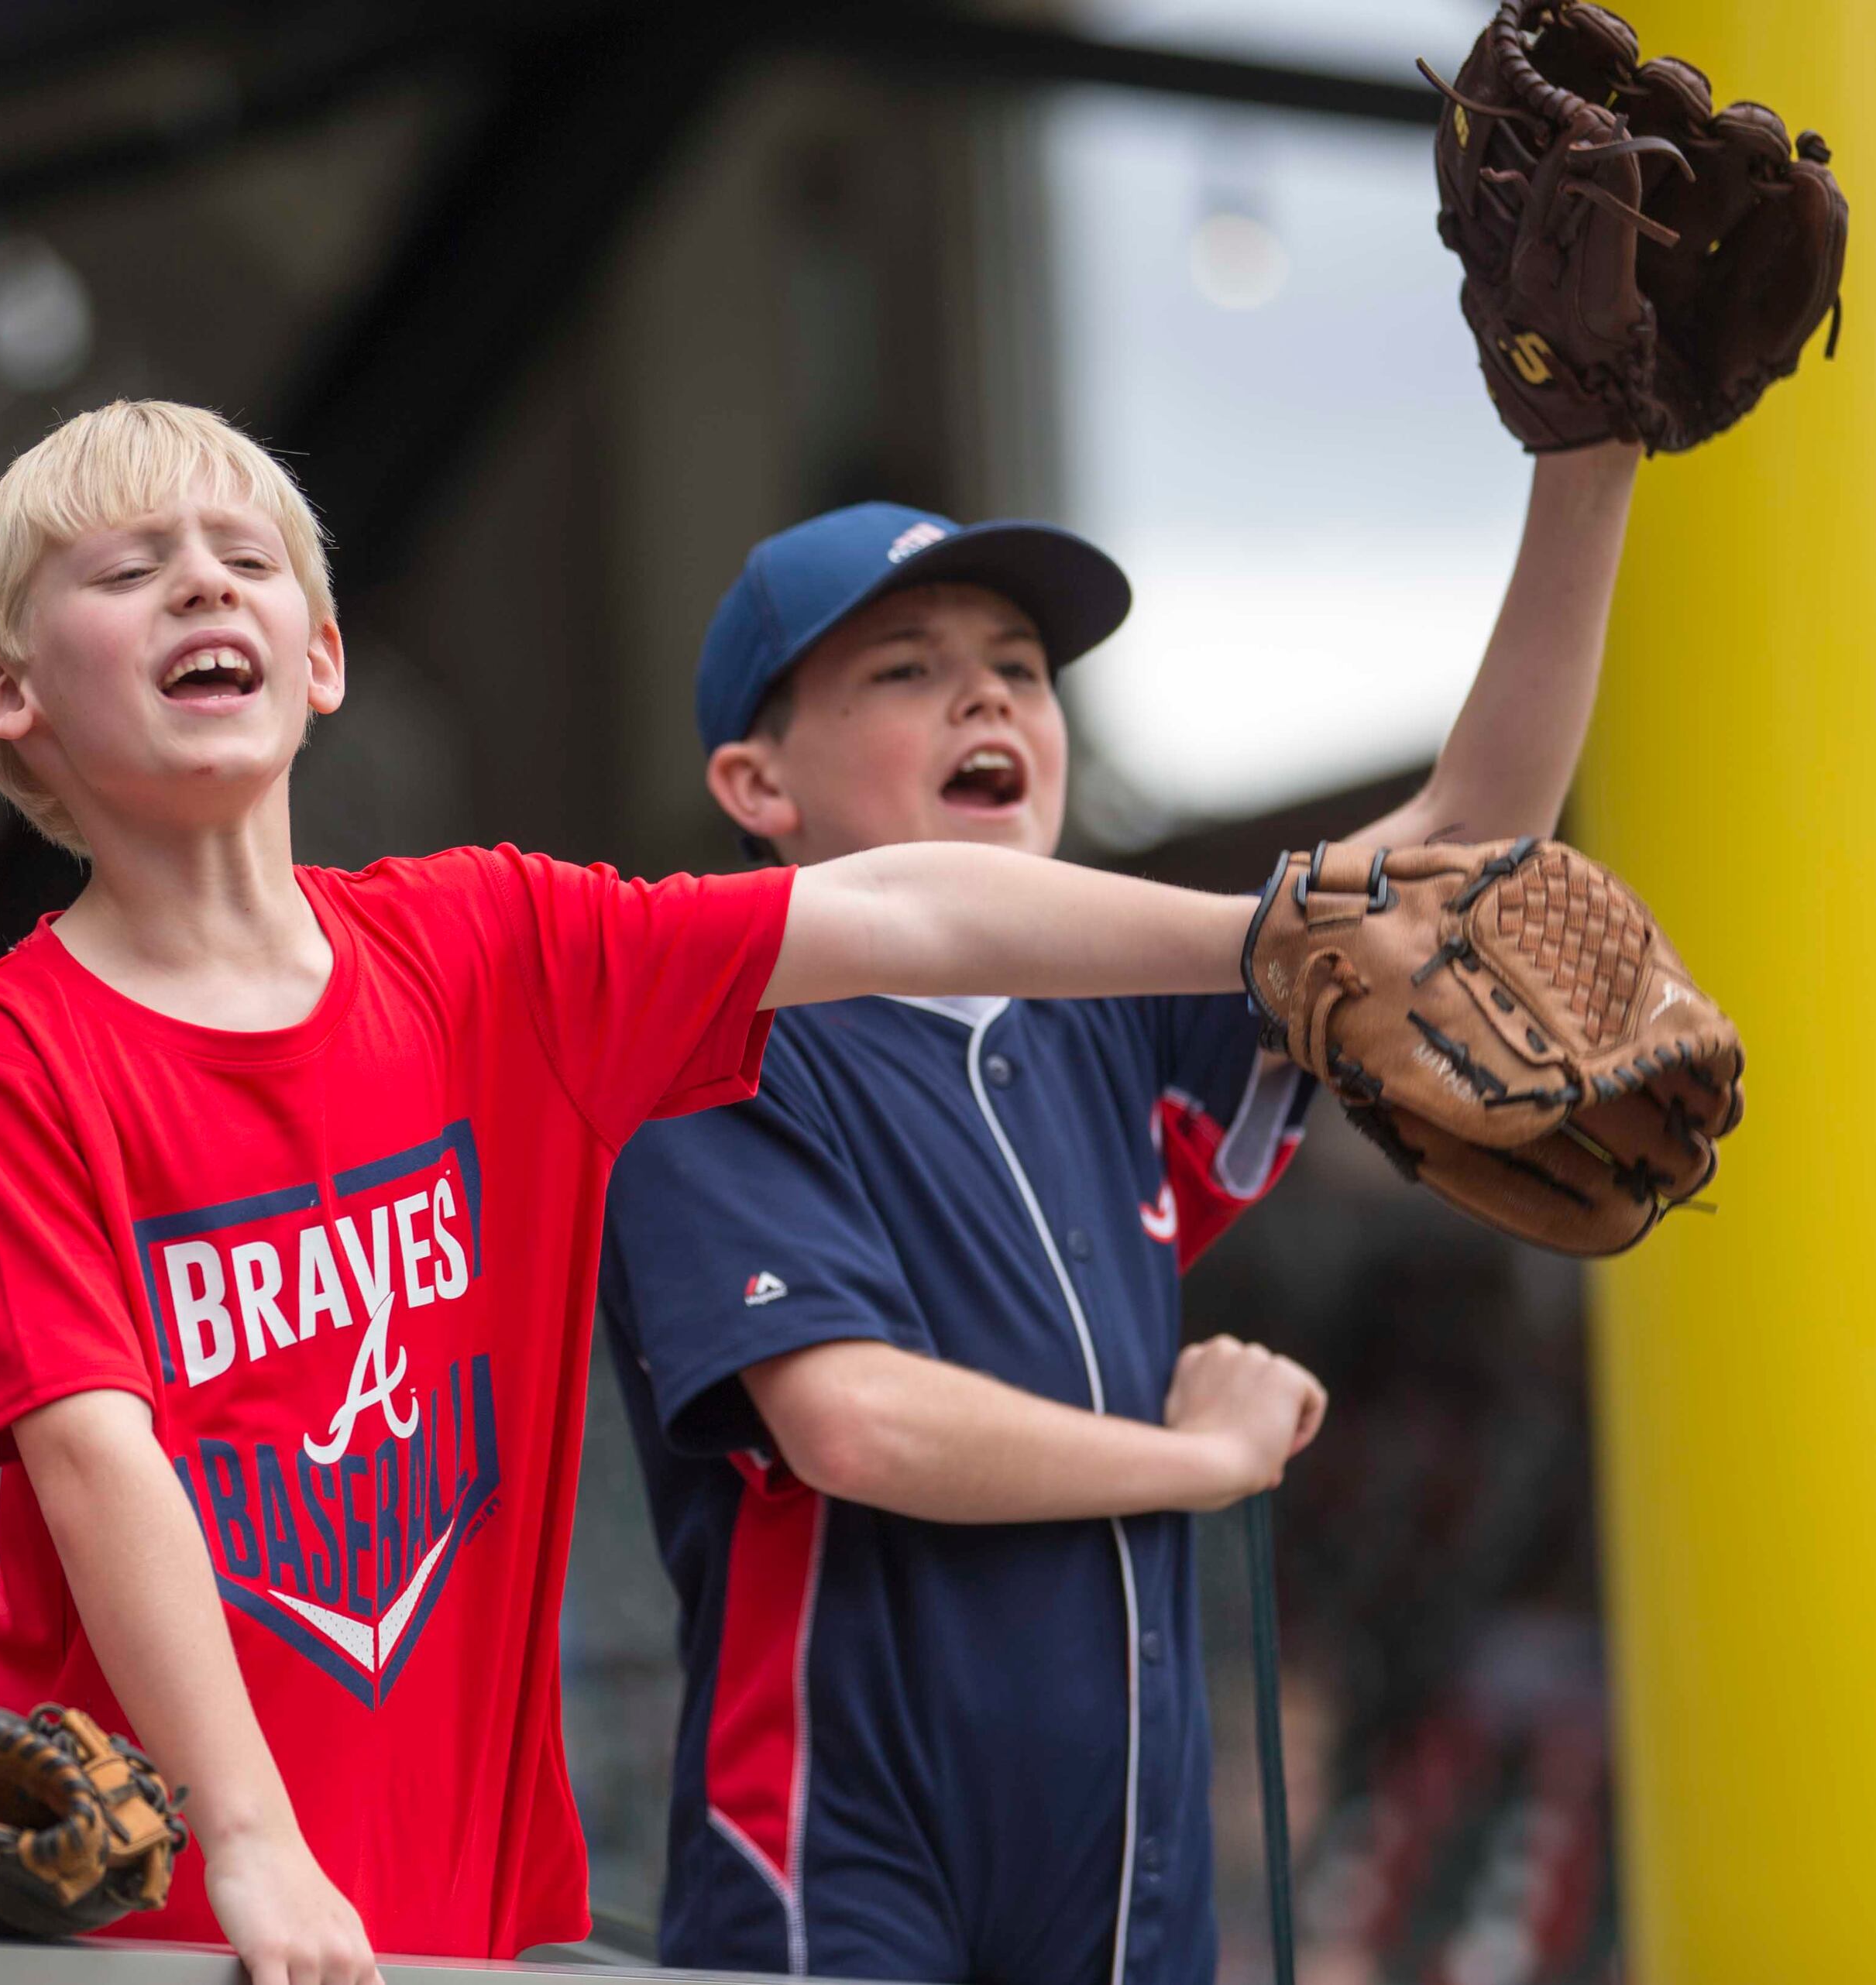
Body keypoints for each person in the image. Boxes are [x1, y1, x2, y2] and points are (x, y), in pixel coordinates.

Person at [0, 399, 1402, 1985]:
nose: (203, 586)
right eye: (132, 569)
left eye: (246, 557)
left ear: (323, 655)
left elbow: (904, 916)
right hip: (165, 1914)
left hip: (452, 1914)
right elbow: (96, 1459)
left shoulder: (489, 947)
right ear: (5, 692)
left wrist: (1277, 932)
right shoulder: (8, 1051)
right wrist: (253, 1842)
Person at [594, 452, 1639, 1985]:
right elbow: (854, 1424)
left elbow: (1448, 872)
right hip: (843, 1855)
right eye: (908, 668)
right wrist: (1196, 1459)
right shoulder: (705, 1037)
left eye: (1021, 668)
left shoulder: (1115, 1013)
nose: (991, 701)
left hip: (1133, 1852)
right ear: (760, 787)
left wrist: (1590, 469)